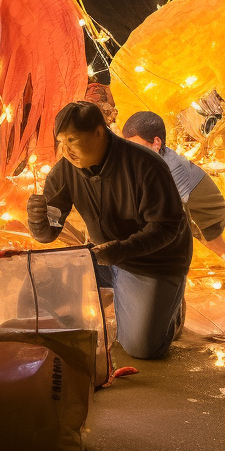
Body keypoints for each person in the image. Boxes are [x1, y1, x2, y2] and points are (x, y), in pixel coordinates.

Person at [27, 101, 192, 360]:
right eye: (62, 141)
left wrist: (121, 250)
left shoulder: (145, 164)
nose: (67, 150)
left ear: (99, 132)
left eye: (73, 139)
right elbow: (50, 232)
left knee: (142, 348)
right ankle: (126, 294)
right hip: (104, 257)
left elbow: (166, 227)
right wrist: (39, 222)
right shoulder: (65, 171)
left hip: (154, 261)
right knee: (38, 286)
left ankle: (170, 309)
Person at [119, 110, 225, 267]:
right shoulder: (149, 160)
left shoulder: (171, 167)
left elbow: (170, 208)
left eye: (138, 147)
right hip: (189, 207)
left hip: (205, 212)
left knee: (217, 249)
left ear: (156, 143)